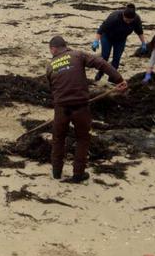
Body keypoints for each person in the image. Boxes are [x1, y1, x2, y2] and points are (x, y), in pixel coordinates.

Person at [46, 36, 127, 183]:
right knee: (82, 139)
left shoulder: (50, 66)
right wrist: (118, 79)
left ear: (53, 49)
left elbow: (52, 89)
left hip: (61, 108)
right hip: (80, 106)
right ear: (65, 45)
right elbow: (101, 63)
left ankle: (56, 172)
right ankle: (78, 174)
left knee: (58, 139)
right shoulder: (78, 55)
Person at [91, 3, 147, 82]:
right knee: (105, 56)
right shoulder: (114, 17)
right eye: (126, 20)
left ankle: (111, 79)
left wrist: (143, 43)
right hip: (107, 37)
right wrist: (96, 41)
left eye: (130, 21)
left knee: (116, 59)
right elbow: (101, 30)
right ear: (123, 16)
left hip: (120, 40)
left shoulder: (136, 19)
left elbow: (139, 32)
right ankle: (100, 73)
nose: (128, 22)